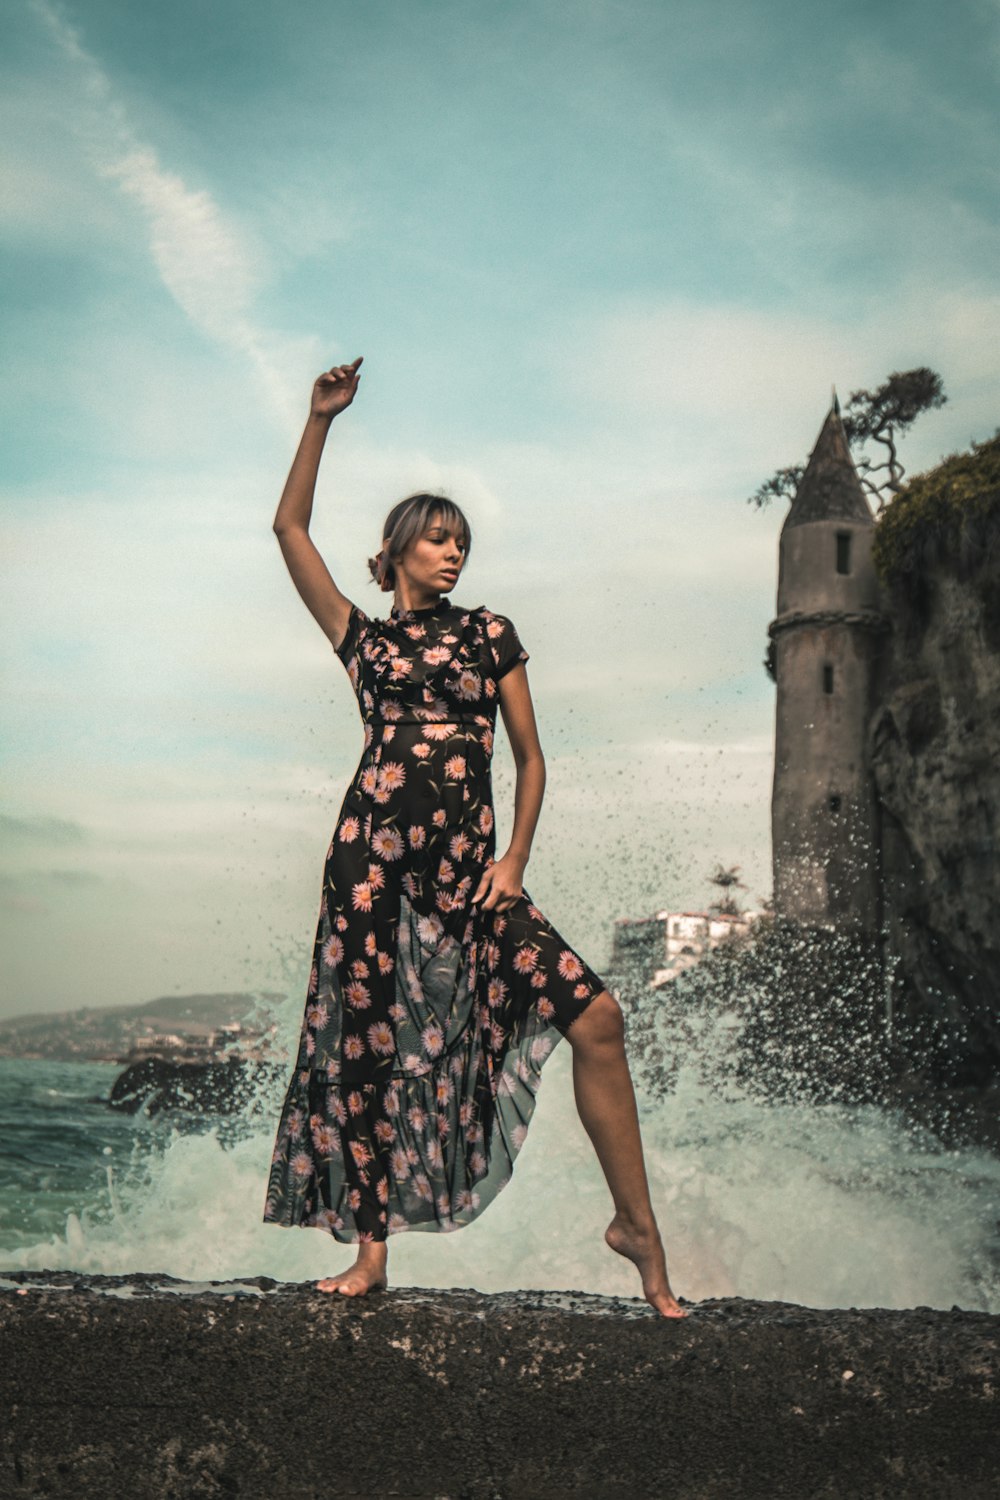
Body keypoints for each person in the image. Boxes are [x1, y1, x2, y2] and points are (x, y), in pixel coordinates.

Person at [262, 357, 686, 1318]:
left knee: (599, 1017)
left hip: (472, 880)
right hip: (369, 871)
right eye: (438, 541)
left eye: (462, 542)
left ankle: (638, 1230)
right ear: (399, 550)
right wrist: (318, 420)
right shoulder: (363, 643)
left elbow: (532, 759)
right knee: (366, 1052)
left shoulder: (490, 635)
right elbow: (288, 529)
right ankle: (370, 1256)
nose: (454, 554)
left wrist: (514, 861)